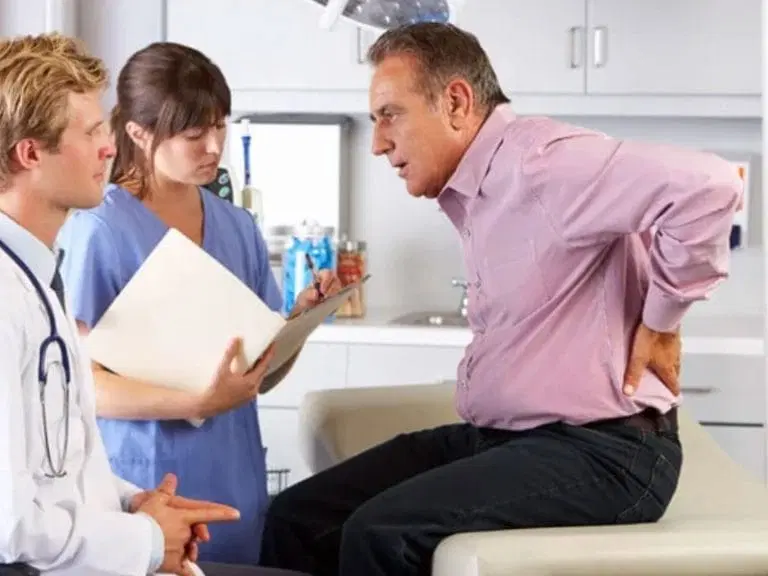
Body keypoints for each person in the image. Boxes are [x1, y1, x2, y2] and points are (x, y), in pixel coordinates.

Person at [259, 22, 744, 576]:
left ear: (457, 102)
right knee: (297, 517)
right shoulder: (478, 188)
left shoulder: (542, 164)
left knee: (383, 533)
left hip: (608, 454)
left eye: (390, 114)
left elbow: (711, 186)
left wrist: (662, 317)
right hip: (508, 441)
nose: (378, 143)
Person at [0, 31, 289, 576]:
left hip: (149, 514)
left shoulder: (37, 280)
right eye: (91, 133)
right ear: (31, 153)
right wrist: (147, 538)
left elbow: (58, 463)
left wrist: (135, 505)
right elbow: (15, 523)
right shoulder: (26, 287)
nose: (109, 148)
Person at [56, 41, 340, 568]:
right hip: (147, 488)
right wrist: (197, 404)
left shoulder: (238, 228)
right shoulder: (100, 231)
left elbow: (261, 375)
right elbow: (82, 387)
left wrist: (300, 320)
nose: (214, 146)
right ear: (139, 134)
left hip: (235, 481)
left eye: (220, 126)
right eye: (194, 135)